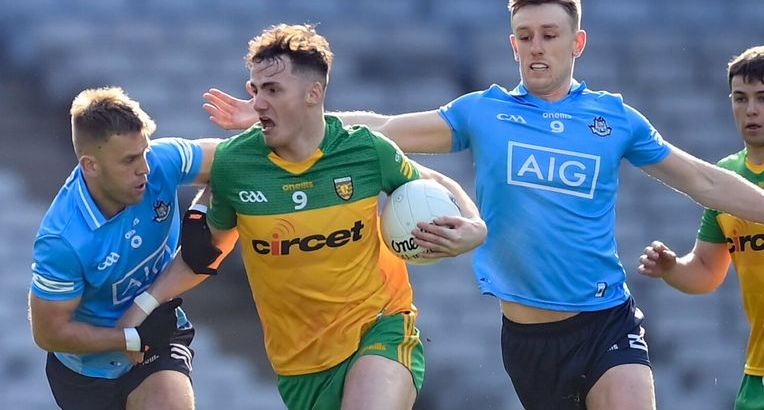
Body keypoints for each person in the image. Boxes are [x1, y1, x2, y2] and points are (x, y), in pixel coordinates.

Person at [200, 0, 764, 410]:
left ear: (578, 42)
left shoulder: (613, 119)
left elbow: (703, 180)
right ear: (512, 43)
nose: (536, 48)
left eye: (550, 35)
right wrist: (291, 112)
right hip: (527, 335)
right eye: (525, 36)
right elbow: (384, 126)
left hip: (607, 320)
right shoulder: (483, 112)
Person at [118, 23, 487, 410]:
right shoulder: (234, 164)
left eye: (273, 90)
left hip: (380, 328)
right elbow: (204, 256)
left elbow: (433, 181)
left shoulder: (365, 151)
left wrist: (475, 227)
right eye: (255, 90)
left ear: (314, 93)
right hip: (299, 367)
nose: (258, 103)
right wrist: (140, 307)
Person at [29, 86, 219, 410]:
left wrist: (201, 211)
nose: (144, 167)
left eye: (143, 152)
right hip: (84, 374)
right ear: (91, 166)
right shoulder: (63, 239)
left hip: (159, 335)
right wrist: (130, 337)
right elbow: (49, 333)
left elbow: (231, 162)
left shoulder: (161, 162)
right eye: (129, 160)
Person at [639, 45, 764, 410]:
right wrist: (671, 268)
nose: (751, 109)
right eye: (741, 98)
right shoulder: (726, 177)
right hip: (760, 374)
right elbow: (708, 271)